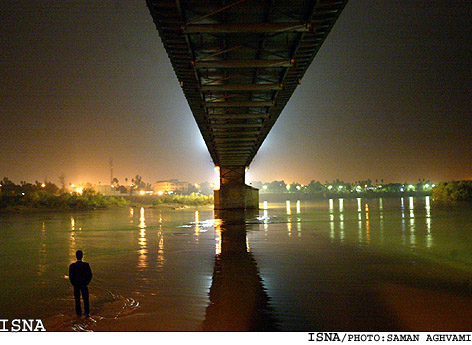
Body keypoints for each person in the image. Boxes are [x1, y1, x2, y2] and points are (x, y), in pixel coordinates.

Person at [69, 250, 92, 317]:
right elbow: (90, 275)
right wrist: (86, 283)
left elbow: (71, 276)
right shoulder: (86, 265)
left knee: (77, 300)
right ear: (82, 256)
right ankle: (87, 312)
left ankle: (79, 313)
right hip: (84, 284)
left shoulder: (72, 266)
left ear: (76, 256)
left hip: (76, 284)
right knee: (86, 299)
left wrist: (74, 284)